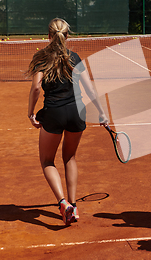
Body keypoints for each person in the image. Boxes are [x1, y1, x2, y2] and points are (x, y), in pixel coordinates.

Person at [26, 18, 108, 226]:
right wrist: (101, 112)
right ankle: (74, 204)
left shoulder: (41, 58)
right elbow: (90, 88)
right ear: (67, 35)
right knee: (70, 157)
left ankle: (63, 203)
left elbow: (36, 88)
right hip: (76, 112)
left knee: (47, 161)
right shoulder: (75, 57)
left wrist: (30, 113)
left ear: (48, 36)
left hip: (53, 113)